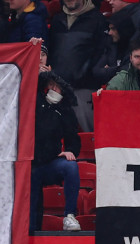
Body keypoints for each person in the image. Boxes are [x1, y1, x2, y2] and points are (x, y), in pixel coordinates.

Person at [30, 72, 82, 232]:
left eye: (57, 87)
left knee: (71, 167)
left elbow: (74, 139)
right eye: (51, 85)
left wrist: (69, 151)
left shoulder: (66, 110)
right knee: (31, 217)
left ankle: (70, 216)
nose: (53, 89)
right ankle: (29, 230)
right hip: (30, 164)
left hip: (50, 163)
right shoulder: (34, 102)